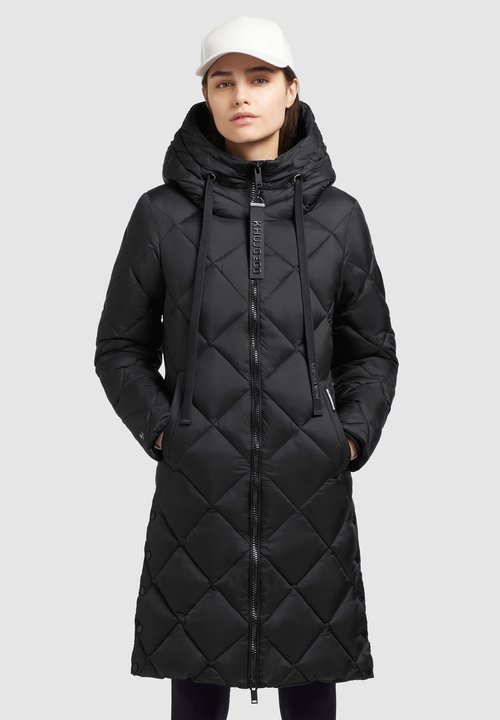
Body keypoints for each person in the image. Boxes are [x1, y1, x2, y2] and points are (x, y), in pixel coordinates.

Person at [94, 15, 399, 720]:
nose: (240, 96)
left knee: (311, 675)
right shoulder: (161, 215)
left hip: (310, 487)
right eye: (222, 81)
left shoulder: (339, 218)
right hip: (197, 488)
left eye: (259, 79)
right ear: (205, 95)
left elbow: (371, 350)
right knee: (196, 682)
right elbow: (119, 348)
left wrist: (348, 437)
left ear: (291, 89)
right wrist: (168, 430)